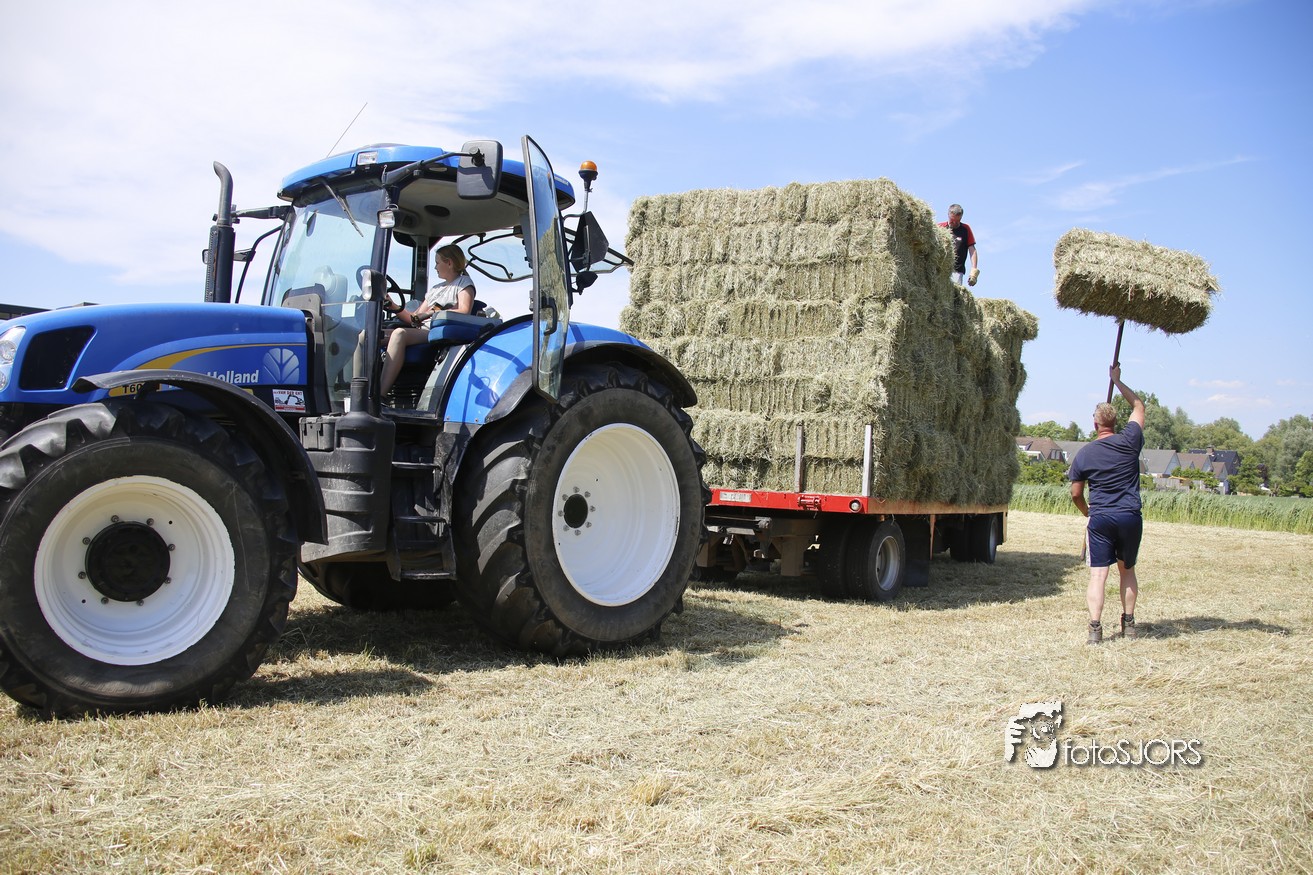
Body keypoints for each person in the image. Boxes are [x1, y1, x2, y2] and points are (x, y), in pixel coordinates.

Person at [1067, 365, 1147, 644]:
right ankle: (1129, 624)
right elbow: (1139, 406)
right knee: (1127, 570)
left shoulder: (1084, 454)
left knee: (1098, 575)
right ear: (1115, 423)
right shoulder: (1130, 440)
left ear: (1095, 425)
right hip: (1129, 516)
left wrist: (1087, 512)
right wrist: (1117, 381)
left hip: (1100, 518)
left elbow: (1076, 494)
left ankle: (1095, 629)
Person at [379, 244, 475, 396]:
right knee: (369, 335)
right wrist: (393, 305)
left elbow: (464, 310)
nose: (435, 267)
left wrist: (431, 313)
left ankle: (379, 395)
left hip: (434, 331)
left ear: (449, 263)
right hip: (420, 329)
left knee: (399, 334)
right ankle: (360, 388)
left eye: (437, 263)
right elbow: (414, 318)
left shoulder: (463, 283)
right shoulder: (435, 289)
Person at [938, 204, 979, 287]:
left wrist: (974, 270)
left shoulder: (965, 229)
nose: (955, 223)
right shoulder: (940, 227)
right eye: (952, 220)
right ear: (948, 215)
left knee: (954, 293)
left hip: (957, 271)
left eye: (957, 221)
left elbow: (972, 249)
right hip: (940, 269)